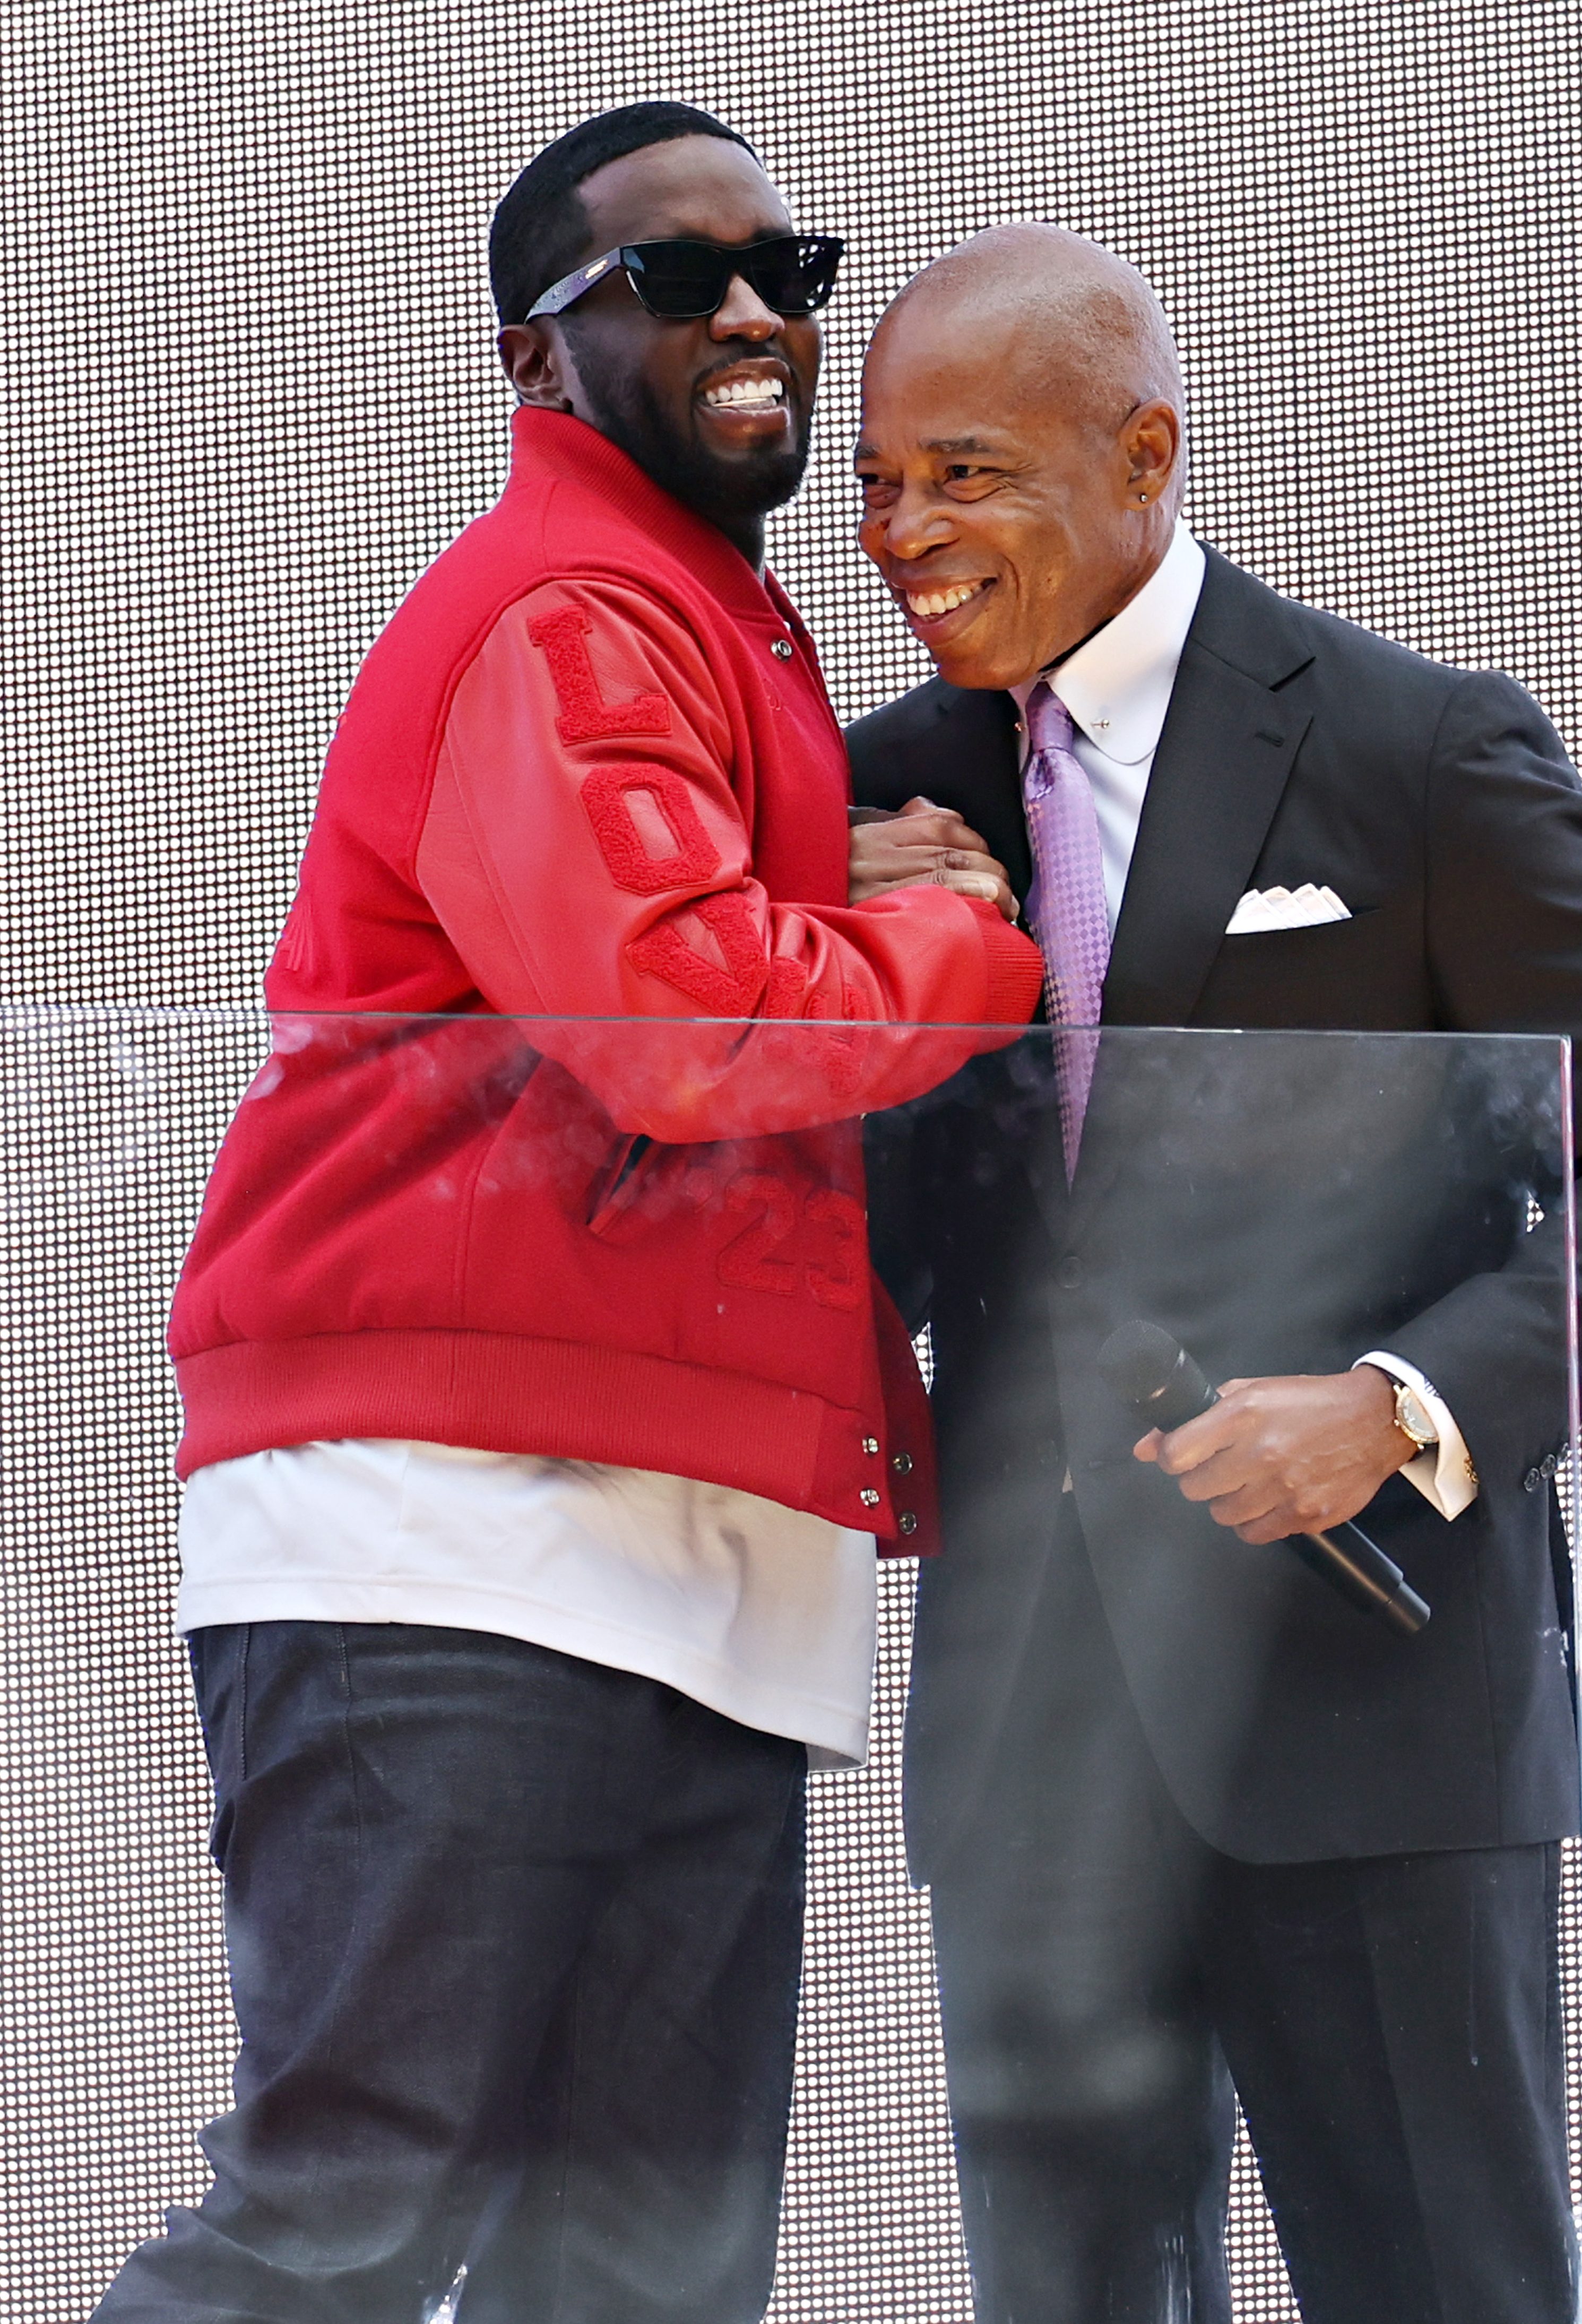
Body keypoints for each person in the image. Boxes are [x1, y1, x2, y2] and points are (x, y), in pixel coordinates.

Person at [95, 109, 1040, 2324]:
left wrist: (807, 881)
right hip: (457, 1542)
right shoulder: (572, 605)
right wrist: (964, 942)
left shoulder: (709, 627)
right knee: (344, 2229)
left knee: (640, 2277)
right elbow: (686, 1027)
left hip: (670, 1555)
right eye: (673, 278)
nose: (753, 312)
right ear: (532, 354)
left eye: (786, 268)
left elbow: (676, 952)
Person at [846, 224, 1582, 2324]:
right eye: (879, 483)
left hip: (1376, 1706)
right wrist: (813, 936)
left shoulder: (1417, 753)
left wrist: (1401, 1410)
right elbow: (859, 1232)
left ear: (1142, 454)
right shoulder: (878, 788)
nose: (903, 533)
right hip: (1033, 1744)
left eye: (965, 473)